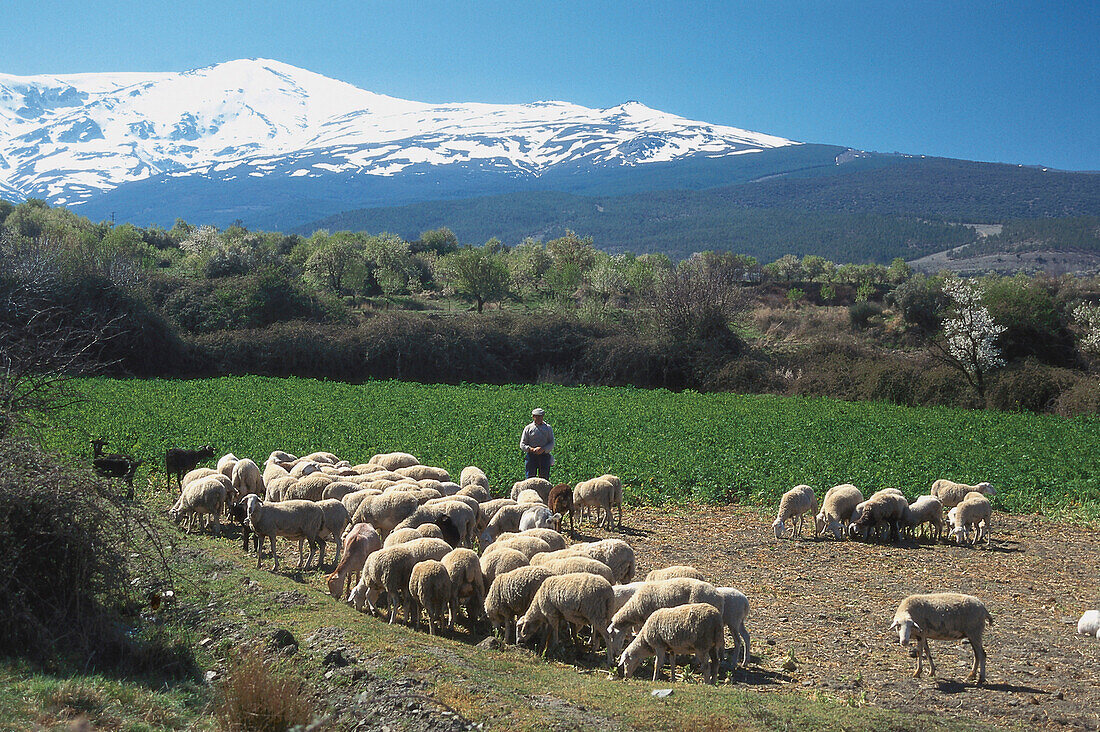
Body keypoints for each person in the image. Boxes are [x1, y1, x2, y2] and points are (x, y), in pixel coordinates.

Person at [520, 407, 554, 480]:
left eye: (540, 416)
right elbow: (522, 444)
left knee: (544, 479)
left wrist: (543, 449)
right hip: (531, 457)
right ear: (533, 417)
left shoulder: (548, 428)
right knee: (530, 479)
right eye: (536, 416)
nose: (538, 418)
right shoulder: (528, 428)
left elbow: (551, 442)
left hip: (544, 456)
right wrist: (531, 449)